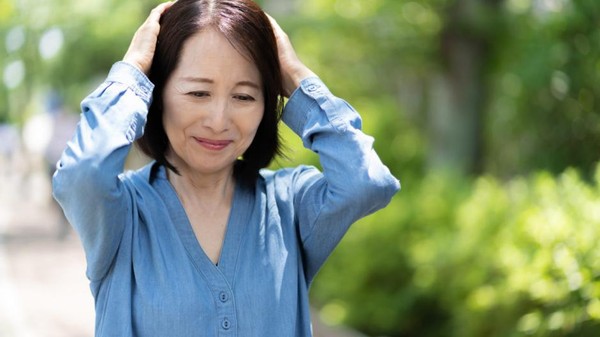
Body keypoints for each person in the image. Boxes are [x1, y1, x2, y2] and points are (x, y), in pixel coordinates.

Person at [52, 0, 400, 336]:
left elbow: (366, 183)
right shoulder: (123, 215)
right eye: (199, 94)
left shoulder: (289, 206)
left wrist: (296, 76)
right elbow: (83, 173)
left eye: (244, 97)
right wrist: (132, 73)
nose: (219, 121)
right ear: (156, 95)